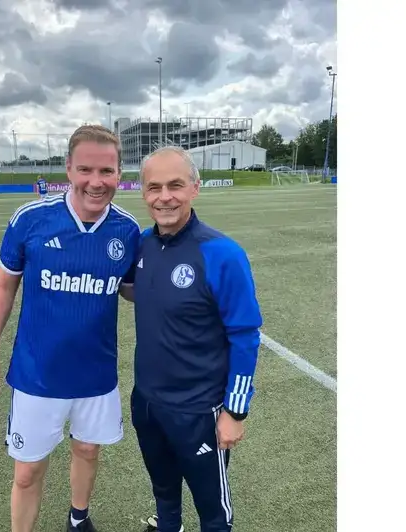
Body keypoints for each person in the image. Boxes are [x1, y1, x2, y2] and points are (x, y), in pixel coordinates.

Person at [0, 124, 141, 532]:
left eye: (107, 172)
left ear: (119, 173)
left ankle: (78, 519)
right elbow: (2, 287)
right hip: (37, 373)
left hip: (97, 373)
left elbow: (134, 292)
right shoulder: (31, 219)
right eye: (85, 170)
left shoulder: (128, 230)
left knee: (87, 448)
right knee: (28, 472)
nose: (96, 182)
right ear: (68, 169)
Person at [127, 146, 263, 532]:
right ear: (143, 193)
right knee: (164, 491)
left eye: (175, 185)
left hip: (199, 410)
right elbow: (130, 287)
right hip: (148, 403)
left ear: (195, 188)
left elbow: (245, 336)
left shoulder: (222, 253)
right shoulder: (142, 244)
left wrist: (234, 412)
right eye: (154, 187)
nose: (164, 196)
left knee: (213, 513)